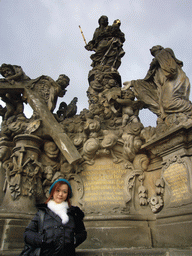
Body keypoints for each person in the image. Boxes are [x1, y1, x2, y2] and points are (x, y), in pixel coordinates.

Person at [23, 179, 87, 256]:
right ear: (52, 192)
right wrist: (42, 240)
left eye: (64, 192)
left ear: (67, 194)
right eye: (58, 190)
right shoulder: (42, 213)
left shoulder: (73, 213)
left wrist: (74, 240)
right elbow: (27, 233)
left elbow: (82, 233)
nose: (60, 194)